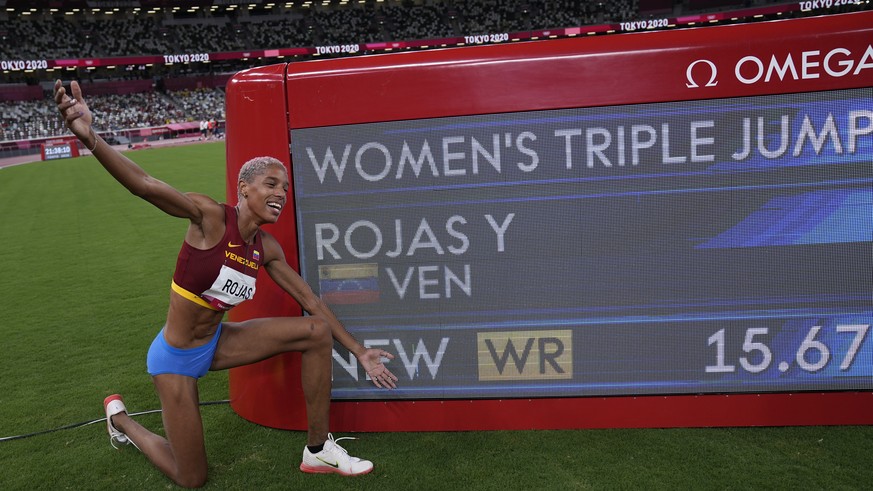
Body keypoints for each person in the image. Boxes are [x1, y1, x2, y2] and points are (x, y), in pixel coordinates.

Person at [53, 79, 398, 488]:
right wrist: (90, 137)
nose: (280, 194)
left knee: (315, 330)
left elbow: (310, 299)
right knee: (191, 477)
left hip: (218, 343)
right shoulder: (209, 218)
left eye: (285, 188)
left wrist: (359, 351)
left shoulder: (266, 248)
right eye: (271, 184)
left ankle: (319, 449)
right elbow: (144, 185)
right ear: (243, 188)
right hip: (176, 358)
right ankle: (123, 421)